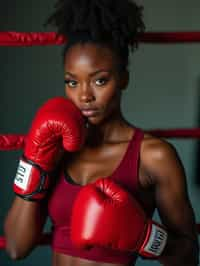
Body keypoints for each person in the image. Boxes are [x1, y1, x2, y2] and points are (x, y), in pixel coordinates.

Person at [3, 0, 199, 265]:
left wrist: (145, 238)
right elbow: (16, 247)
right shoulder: (55, 146)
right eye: (72, 82)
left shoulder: (154, 156)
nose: (84, 95)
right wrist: (35, 161)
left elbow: (187, 256)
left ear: (124, 78)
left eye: (99, 80)